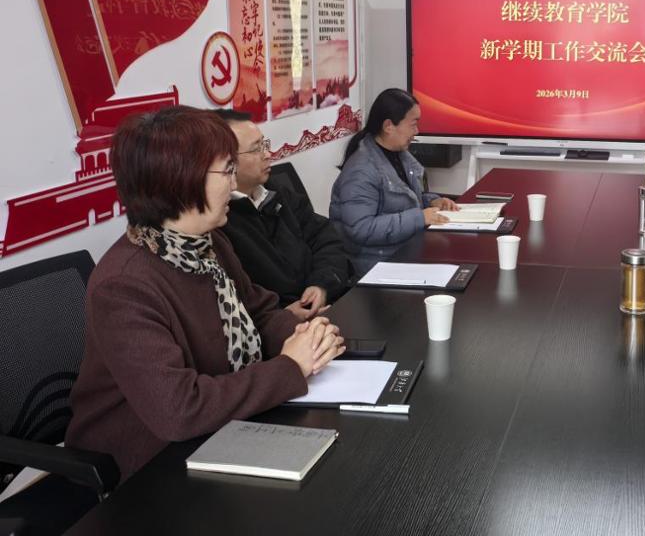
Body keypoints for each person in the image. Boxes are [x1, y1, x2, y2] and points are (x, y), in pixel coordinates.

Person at [66, 106, 345, 481]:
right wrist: (290, 367)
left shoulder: (208, 243)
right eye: (227, 171)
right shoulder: (123, 286)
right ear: (181, 180)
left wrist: (306, 337)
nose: (234, 183)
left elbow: (259, 312)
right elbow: (178, 410)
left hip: (219, 429)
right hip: (146, 462)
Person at [216, 109, 350, 320]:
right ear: (224, 162)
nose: (268, 154)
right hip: (278, 329)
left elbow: (325, 238)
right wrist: (283, 316)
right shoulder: (219, 221)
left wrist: (321, 285)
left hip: (322, 308)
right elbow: (240, 304)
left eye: (265, 144)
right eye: (256, 149)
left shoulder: (275, 191)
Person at [330, 88, 458, 266]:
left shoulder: (399, 154)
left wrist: (432, 202)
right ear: (388, 126)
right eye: (413, 124)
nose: (417, 131)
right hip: (375, 262)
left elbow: (403, 200)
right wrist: (420, 218)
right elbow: (361, 229)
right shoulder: (361, 171)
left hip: (405, 249)